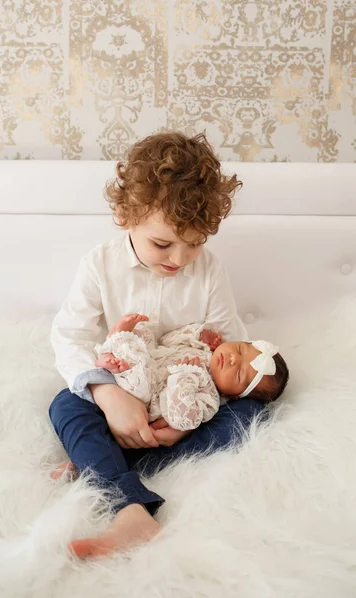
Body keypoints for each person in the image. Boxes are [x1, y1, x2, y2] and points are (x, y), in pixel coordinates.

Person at [49, 131, 267, 559]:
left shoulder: (208, 270)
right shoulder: (100, 264)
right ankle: (130, 508)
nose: (179, 259)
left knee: (253, 409)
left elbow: (229, 342)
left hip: (183, 395)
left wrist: (185, 420)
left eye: (195, 244)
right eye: (163, 244)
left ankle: (106, 466)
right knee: (64, 404)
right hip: (126, 388)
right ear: (124, 215)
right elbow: (69, 336)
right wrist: (108, 395)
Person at [92, 313, 289, 430]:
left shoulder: (209, 396)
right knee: (147, 336)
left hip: (145, 397)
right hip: (154, 357)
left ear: (235, 396)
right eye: (238, 350)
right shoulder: (205, 349)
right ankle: (114, 351)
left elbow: (183, 419)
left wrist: (183, 376)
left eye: (239, 373)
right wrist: (197, 336)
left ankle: (116, 346)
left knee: (142, 378)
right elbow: (167, 341)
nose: (233, 359)